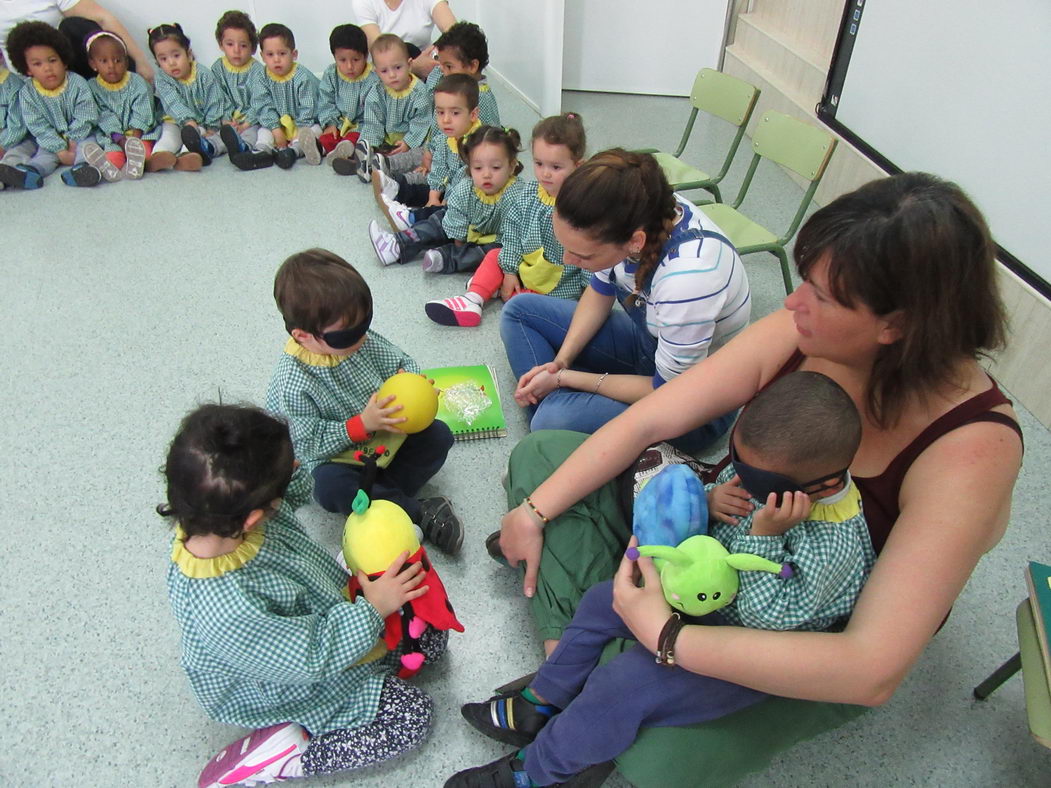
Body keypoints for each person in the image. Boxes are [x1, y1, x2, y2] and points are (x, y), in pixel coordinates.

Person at [493, 172, 1024, 782]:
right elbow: (647, 422)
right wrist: (532, 514)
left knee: (659, 760)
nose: (793, 304)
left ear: (895, 325)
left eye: (822, 296)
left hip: (795, 623)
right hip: (719, 537)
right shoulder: (803, 334)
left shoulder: (971, 449)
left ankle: (606, 659)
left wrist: (667, 637)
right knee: (547, 460)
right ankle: (580, 657)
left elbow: (869, 665)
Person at [450, 371, 876, 786]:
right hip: (703, 597)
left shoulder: (832, 545)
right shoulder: (769, 470)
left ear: (819, 487)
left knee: (624, 684)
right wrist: (709, 502)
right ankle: (542, 700)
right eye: (737, 460)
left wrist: (763, 539)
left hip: (746, 650)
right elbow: (721, 520)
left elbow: (768, 619)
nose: (741, 479)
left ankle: (538, 770)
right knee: (602, 600)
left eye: (755, 479)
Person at [161, 403, 442, 788]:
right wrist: (374, 608)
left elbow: (290, 496)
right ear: (253, 518)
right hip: (291, 679)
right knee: (411, 719)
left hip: (321, 616)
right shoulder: (228, 609)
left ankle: (376, 642)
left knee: (432, 637)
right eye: (283, 476)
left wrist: (292, 474)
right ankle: (287, 759)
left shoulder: (218, 520)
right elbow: (311, 656)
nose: (294, 470)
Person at [500, 148, 750, 451]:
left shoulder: (687, 281)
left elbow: (666, 389)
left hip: (690, 404)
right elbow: (600, 291)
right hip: (649, 348)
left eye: (582, 254)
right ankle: (561, 423)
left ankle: (555, 425)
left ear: (635, 241)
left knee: (550, 418)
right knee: (519, 311)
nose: (567, 260)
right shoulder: (635, 211)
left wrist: (567, 378)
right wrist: (559, 364)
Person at [264, 248, 463, 556]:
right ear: (303, 336)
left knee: (438, 436)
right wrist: (361, 425)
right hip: (339, 456)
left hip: (386, 436)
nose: (360, 338)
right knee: (329, 488)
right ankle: (415, 511)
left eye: (365, 323)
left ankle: (380, 499)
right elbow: (306, 444)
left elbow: (401, 362)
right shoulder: (294, 382)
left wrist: (414, 384)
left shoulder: (363, 340)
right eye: (346, 336)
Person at [425, 112, 589, 327]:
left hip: (559, 286)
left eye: (555, 167)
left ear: (578, 166)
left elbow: (591, 258)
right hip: (525, 269)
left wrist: (589, 295)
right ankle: (473, 300)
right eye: (539, 164)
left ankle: (498, 291)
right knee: (495, 255)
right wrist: (510, 270)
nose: (545, 174)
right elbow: (512, 231)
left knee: (537, 305)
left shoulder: (584, 206)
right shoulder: (530, 192)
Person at [368, 124, 524, 274]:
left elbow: (514, 232)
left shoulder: (516, 194)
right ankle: (395, 245)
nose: (486, 174)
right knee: (437, 221)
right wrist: (458, 239)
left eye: (496, 167)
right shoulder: (466, 186)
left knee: (488, 255)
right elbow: (456, 214)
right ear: (469, 167)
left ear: (511, 166)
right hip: (464, 229)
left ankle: (444, 259)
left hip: (494, 238)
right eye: (478, 168)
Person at [374, 72, 480, 224]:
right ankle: (396, 189)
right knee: (426, 190)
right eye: (440, 112)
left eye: (455, 113)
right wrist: (433, 197)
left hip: (467, 202)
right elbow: (439, 170)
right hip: (448, 190)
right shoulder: (446, 139)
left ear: (473, 114)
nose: (446, 120)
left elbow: (467, 183)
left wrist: (445, 201)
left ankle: (410, 219)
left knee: (440, 214)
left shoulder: (479, 146)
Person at [5, 20, 101, 187]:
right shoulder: (27, 92)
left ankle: (83, 169)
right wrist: (59, 149)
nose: (47, 68)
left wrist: (73, 142)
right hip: (49, 140)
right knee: (43, 154)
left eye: (52, 60)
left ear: (63, 61)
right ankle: (31, 173)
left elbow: (86, 114)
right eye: (37, 64)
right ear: (27, 69)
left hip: (80, 134)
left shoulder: (77, 83)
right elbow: (37, 125)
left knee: (89, 146)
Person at [0, 0, 154, 83]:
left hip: (71, 72)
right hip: (27, 84)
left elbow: (103, 18)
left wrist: (140, 60)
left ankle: (127, 91)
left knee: (73, 26)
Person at [346, 34, 430, 181]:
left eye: (397, 67)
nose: (392, 75)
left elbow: (422, 121)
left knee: (419, 155)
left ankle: (385, 167)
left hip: (411, 142)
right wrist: (372, 143)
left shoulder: (419, 92)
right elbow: (373, 121)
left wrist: (408, 142)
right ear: (377, 72)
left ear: (409, 65)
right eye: (384, 71)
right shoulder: (377, 91)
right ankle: (367, 160)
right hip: (387, 141)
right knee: (364, 136)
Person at [149, 23, 226, 170]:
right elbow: (172, 102)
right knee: (169, 137)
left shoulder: (203, 75)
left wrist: (212, 126)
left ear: (189, 54)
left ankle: (186, 157)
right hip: (174, 121)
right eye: (163, 59)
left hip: (200, 122)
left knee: (195, 138)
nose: (171, 63)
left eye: (176, 55)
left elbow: (214, 101)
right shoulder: (162, 79)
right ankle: (158, 155)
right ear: (157, 62)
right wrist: (187, 121)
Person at [248, 22, 323, 170]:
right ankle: (262, 152)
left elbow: (309, 106)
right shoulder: (261, 77)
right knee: (263, 131)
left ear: (293, 54)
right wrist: (275, 129)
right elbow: (262, 104)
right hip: (277, 124)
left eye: (282, 54)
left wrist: (299, 131)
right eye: (270, 55)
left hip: (301, 123)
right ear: (262, 56)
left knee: (315, 131)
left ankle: (293, 151)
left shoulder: (302, 77)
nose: (276, 59)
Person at [84, 31, 155, 180]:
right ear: (93, 64)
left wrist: (134, 138)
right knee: (112, 153)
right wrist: (120, 139)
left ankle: (140, 162)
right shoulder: (92, 88)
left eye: (117, 60)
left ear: (126, 62)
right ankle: (107, 169)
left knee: (144, 149)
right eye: (104, 61)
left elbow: (143, 111)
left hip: (139, 133)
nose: (111, 66)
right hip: (113, 136)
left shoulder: (137, 82)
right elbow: (102, 115)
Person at [211, 10, 274, 172]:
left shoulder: (258, 70)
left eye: (243, 45)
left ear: (252, 48)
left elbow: (260, 100)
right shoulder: (218, 68)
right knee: (219, 136)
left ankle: (243, 150)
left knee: (253, 134)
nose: (236, 50)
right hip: (228, 121)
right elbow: (218, 97)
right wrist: (226, 120)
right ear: (221, 44)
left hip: (251, 120)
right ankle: (208, 148)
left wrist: (246, 123)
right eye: (230, 44)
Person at [317, 23, 379, 170]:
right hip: (339, 122)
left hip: (361, 124)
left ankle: (346, 150)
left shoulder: (373, 78)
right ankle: (321, 149)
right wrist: (330, 123)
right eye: (342, 60)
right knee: (328, 137)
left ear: (366, 56)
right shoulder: (331, 74)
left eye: (356, 60)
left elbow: (374, 112)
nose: (350, 66)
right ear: (334, 57)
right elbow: (326, 100)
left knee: (354, 139)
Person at [351, 0, 456, 76]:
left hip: (427, 70)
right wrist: (412, 67)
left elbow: (454, 31)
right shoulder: (363, 2)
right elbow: (378, 48)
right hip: (386, 76)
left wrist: (435, 57)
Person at [0, 50, 36, 189]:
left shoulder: (13, 85)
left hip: (16, 136)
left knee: (18, 152)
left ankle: (7, 172)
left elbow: (18, 125)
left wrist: (3, 146)